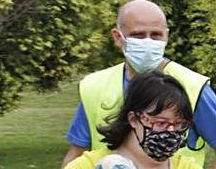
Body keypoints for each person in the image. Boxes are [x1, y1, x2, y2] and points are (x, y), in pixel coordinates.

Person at [62, 0, 216, 169]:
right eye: (138, 35)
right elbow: (77, 151)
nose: (148, 42)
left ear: (166, 36)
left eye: (156, 35)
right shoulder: (94, 86)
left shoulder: (193, 86)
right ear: (117, 37)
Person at [65, 71, 199, 169]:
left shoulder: (187, 167)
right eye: (161, 123)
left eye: (178, 124)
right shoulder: (87, 165)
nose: (171, 131)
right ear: (133, 119)